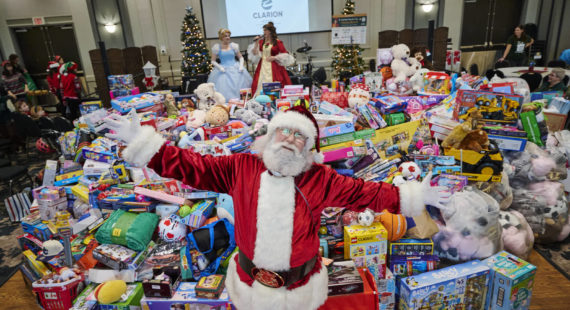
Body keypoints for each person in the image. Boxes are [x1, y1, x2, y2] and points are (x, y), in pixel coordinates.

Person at [104, 106, 449, 310]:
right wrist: (145, 143)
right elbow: (193, 166)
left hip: (300, 291)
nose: (289, 138)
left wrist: (416, 196)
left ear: (309, 148)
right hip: (249, 286)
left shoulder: (320, 178)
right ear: (269, 135)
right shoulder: (241, 167)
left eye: (299, 136)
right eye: (283, 130)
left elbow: (368, 193)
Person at [250, 22, 294, 96]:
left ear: (269, 31)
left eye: (265, 30)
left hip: (274, 66)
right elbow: (255, 53)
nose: (263, 32)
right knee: (259, 81)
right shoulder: (261, 42)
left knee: (276, 82)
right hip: (262, 65)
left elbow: (285, 54)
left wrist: (274, 57)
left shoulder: (277, 42)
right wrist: (256, 42)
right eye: (263, 31)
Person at [207, 29, 253, 100]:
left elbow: (241, 58)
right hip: (223, 70)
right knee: (224, 87)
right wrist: (219, 67)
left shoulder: (233, 46)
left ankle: (240, 101)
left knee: (239, 85)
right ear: (221, 37)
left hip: (235, 68)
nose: (228, 37)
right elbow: (213, 61)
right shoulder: (217, 47)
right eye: (225, 36)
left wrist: (241, 66)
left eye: (229, 36)